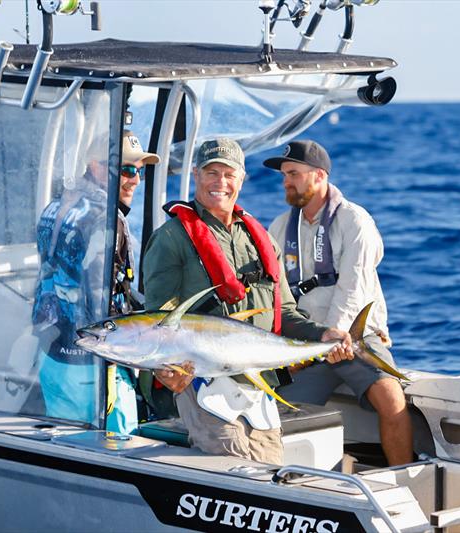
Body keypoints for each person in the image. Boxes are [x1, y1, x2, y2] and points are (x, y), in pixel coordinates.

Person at [142, 137, 353, 465]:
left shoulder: (262, 238)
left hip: (258, 391)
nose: (220, 182)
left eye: (229, 174)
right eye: (212, 172)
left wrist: (324, 335)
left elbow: (284, 312)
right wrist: (167, 372)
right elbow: (159, 322)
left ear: (242, 179)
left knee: (272, 473)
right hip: (205, 386)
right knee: (237, 473)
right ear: (196, 174)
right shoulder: (171, 239)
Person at [265, 140, 413, 466]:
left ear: (319, 176)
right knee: (273, 415)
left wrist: (334, 335)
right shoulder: (278, 227)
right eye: (284, 175)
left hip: (357, 338)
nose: (286, 181)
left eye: (293, 174)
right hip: (307, 343)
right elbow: (274, 295)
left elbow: (353, 289)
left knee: (391, 399)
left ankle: (403, 480)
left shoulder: (355, 222)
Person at [33, 131, 159, 435]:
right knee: (119, 448)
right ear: (96, 165)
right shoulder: (106, 218)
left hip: (52, 356)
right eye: (126, 169)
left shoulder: (55, 206)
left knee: (67, 451)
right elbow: (103, 299)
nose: (135, 180)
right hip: (93, 369)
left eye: (139, 171)